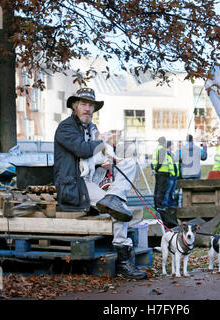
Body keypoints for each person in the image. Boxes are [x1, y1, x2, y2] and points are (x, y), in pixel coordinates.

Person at [54, 87, 146, 280]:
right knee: (118, 211)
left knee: (129, 163)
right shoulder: (66, 127)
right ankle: (123, 261)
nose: (88, 109)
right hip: (75, 185)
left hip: (91, 178)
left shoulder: (91, 128)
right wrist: (102, 143)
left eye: (91, 105)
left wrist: (109, 161)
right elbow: (83, 151)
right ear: (74, 106)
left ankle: (113, 197)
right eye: (83, 104)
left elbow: (91, 158)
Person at [151, 136, 170, 210]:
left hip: (158, 172)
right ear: (164, 142)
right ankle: (159, 205)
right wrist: (156, 169)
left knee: (157, 189)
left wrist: (154, 169)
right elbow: (161, 161)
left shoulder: (156, 149)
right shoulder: (162, 149)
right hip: (162, 171)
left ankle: (157, 205)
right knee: (161, 190)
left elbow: (153, 161)